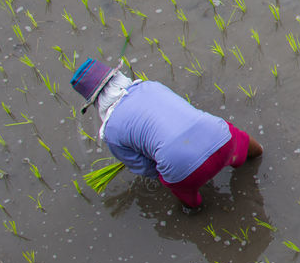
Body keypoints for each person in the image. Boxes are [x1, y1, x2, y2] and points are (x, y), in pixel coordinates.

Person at [69, 58, 263, 212]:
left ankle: (195, 208)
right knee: (240, 140)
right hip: (221, 139)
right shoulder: (150, 86)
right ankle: (257, 153)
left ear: (95, 103)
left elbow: (147, 168)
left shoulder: (111, 132)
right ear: (118, 76)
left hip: (185, 173)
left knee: (188, 200)